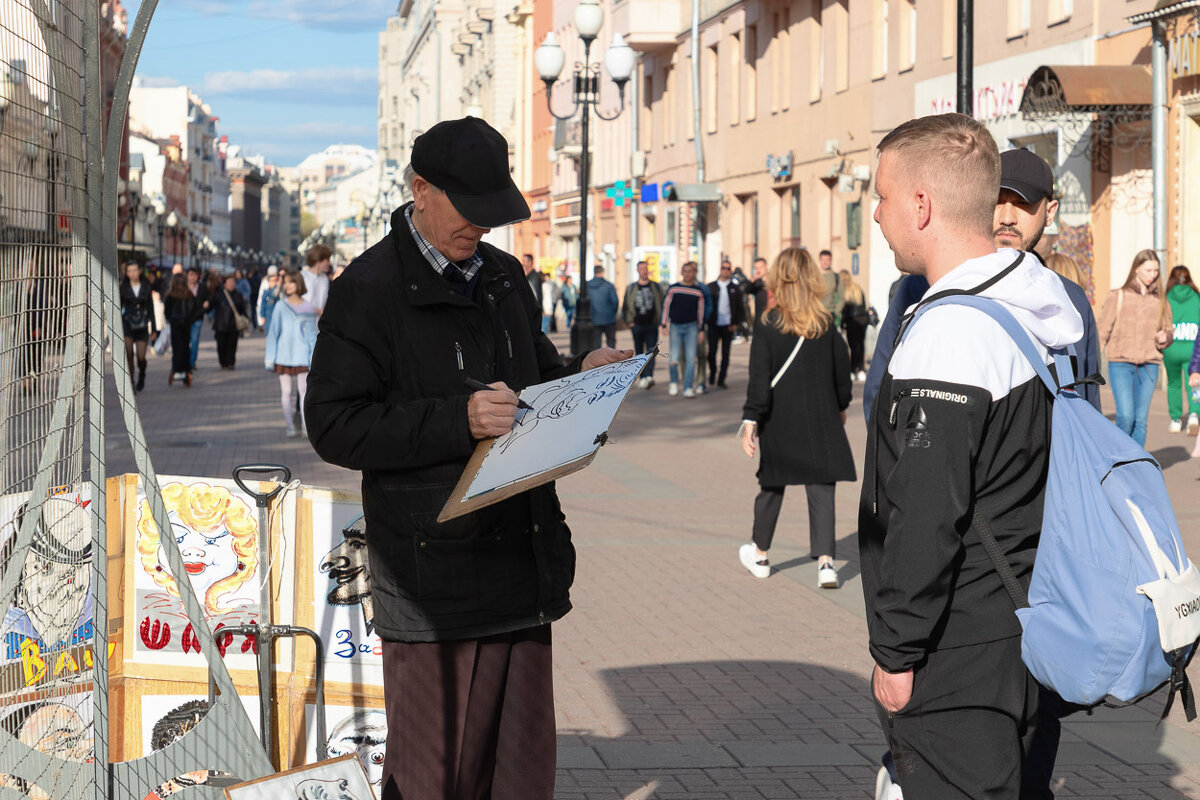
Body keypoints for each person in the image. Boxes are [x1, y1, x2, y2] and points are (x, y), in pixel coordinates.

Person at [303, 117, 630, 800]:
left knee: (517, 769)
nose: (481, 228)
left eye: (491, 213)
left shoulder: (506, 278)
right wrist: (458, 420)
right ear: (420, 191)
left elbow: (532, 382)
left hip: (519, 565)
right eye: (468, 210)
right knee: (433, 775)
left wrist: (581, 379)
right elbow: (334, 426)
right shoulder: (369, 289)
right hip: (432, 583)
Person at [860, 112, 1083, 799]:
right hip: (1025, 620)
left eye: (883, 195)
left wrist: (896, 652)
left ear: (922, 205)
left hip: (958, 644)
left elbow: (927, 513)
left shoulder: (953, 331)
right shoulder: (1032, 305)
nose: (875, 214)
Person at [864, 147, 1103, 420]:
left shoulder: (1069, 300)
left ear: (1050, 213)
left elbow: (1085, 405)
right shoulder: (924, 286)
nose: (1007, 217)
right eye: (997, 201)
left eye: (1024, 203)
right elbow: (879, 394)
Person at [738, 247, 855, 589]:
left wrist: (751, 420)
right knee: (821, 488)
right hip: (820, 418)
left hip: (779, 420)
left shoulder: (768, 324)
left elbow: (759, 380)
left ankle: (760, 555)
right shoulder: (824, 323)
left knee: (772, 485)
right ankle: (826, 565)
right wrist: (842, 405)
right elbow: (842, 373)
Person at [1097, 250, 1173, 447]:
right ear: (1137, 268)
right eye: (1148, 270)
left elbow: (1168, 329)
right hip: (1121, 363)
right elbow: (1102, 330)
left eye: (1156, 271)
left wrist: (1165, 337)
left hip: (1150, 364)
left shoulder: (1161, 300)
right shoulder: (1118, 296)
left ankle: (1136, 468)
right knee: (1125, 416)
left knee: (1140, 421)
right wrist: (1092, 362)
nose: (1153, 274)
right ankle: (1120, 461)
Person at [264, 270, 319, 438]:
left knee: (304, 391)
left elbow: (312, 336)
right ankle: (290, 426)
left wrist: (313, 359)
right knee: (286, 392)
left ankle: (304, 425)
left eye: (291, 282)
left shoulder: (308, 307)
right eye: (285, 282)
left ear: (298, 284)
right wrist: (270, 358)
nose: (287, 285)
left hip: (302, 356)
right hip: (284, 356)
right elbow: (274, 333)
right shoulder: (280, 306)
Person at [661, 261, 707, 398]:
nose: (687, 274)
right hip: (675, 326)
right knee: (674, 358)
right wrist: (664, 324)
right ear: (682, 272)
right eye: (685, 271)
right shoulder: (674, 288)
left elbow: (701, 312)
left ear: (694, 273)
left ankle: (688, 387)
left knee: (691, 359)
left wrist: (701, 329)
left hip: (692, 328)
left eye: (690, 271)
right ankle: (674, 382)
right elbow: (666, 306)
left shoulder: (698, 291)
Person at [1164, 265, 1200, 435]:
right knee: (1194, 384)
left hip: (1171, 348)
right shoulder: (1196, 297)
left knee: (1173, 384)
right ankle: (1193, 413)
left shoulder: (1166, 297)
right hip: (1192, 348)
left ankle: (1175, 419)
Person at [621, 260, 665, 389]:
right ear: (637, 270)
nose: (644, 271)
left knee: (651, 352)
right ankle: (642, 377)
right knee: (639, 353)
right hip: (637, 325)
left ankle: (649, 376)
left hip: (652, 325)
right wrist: (630, 322)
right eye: (641, 268)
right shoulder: (631, 288)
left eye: (645, 268)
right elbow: (625, 306)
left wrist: (660, 321)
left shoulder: (656, 287)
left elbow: (662, 304)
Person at [706, 259, 745, 389]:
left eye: (728, 268)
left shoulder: (735, 288)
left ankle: (721, 379)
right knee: (711, 353)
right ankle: (712, 373)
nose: (725, 270)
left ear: (731, 271)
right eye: (723, 268)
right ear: (720, 269)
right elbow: (705, 306)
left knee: (725, 354)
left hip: (728, 325)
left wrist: (735, 323)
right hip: (713, 325)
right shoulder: (711, 287)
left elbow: (740, 308)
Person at [119, 261, 156, 392]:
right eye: (129, 271)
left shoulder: (146, 286)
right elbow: (119, 307)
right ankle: (131, 383)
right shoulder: (123, 287)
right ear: (126, 273)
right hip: (127, 323)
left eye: (135, 270)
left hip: (142, 325)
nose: (132, 273)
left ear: (139, 271)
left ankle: (142, 373)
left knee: (141, 357)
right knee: (128, 355)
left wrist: (155, 328)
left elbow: (151, 307)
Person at [163, 273, 202, 386]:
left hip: (176, 324)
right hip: (186, 324)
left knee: (177, 348)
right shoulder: (189, 295)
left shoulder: (171, 296)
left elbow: (167, 312)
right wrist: (190, 319)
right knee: (185, 346)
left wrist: (171, 319)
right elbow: (194, 310)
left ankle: (177, 369)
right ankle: (186, 369)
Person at [211, 273, 247, 370]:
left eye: (233, 282)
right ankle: (223, 362)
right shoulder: (218, 294)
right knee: (221, 346)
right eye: (229, 282)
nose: (231, 284)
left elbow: (242, 309)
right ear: (224, 284)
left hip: (233, 325)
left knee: (232, 345)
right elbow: (211, 305)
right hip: (221, 324)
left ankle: (231, 363)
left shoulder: (238, 295)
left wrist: (246, 319)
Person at [839, 269, 870, 381]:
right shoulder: (857, 288)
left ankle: (853, 369)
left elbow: (844, 309)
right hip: (862, 319)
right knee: (860, 345)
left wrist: (842, 323)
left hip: (852, 320)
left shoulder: (844, 290)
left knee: (853, 346)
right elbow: (864, 304)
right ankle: (861, 369)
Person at [586, 263, 619, 349]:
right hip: (609, 318)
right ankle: (611, 361)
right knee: (611, 343)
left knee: (596, 344)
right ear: (602, 273)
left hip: (594, 318)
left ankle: (597, 362)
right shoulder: (609, 285)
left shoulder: (587, 286)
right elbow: (615, 301)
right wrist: (613, 312)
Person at [184, 267, 209, 371]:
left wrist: (206, 303)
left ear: (198, 276)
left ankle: (192, 362)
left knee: (194, 340)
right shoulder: (183, 288)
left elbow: (208, 298)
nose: (192, 277)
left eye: (194, 275)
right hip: (185, 318)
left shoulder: (202, 287)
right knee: (185, 340)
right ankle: (186, 361)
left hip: (198, 317)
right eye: (190, 275)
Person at [302, 244, 332, 312]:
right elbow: (296, 303)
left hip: (319, 322)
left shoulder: (325, 279)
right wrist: (318, 311)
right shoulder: (302, 276)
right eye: (327, 260)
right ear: (319, 261)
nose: (329, 263)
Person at [817, 249, 842, 327]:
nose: (825, 262)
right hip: (817, 313)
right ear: (820, 260)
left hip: (830, 313)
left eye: (827, 259)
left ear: (831, 260)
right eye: (823, 259)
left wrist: (836, 312)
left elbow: (842, 297)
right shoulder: (814, 277)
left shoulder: (836, 277)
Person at [257, 266, 281, 333]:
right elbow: (261, 301)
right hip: (268, 315)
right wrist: (261, 317)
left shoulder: (280, 287)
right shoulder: (265, 283)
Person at [748, 256, 770, 328]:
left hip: (772, 317)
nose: (758, 270)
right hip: (759, 318)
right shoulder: (756, 283)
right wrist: (753, 279)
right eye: (756, 268)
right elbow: (747, 290)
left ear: (766, 266)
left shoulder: (773, 280)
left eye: (760, 267)